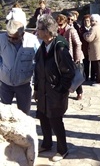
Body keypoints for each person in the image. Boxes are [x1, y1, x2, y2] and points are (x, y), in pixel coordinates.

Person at [33, 14, 75, 162]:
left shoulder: (60, 48)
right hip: (44, 92)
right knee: (43, 117)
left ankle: (62, 150)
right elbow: (38, 68)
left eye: (39, 28)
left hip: (55, 92)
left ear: (47, 31)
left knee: (56, 121)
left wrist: (60, 89)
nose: (36, 31)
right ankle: (46, 143)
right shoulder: (43, 46)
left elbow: (69, 72)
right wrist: (37, 89)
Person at [0, 19, 40, 115]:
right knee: (4, 115)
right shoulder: (1, 39)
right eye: (9, 37)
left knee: (24, 114)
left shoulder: (33, 41)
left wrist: (37, 87)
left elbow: (39, 63)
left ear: (22, 34)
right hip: (5, 83)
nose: (11, 40)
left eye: (15, 38)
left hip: (24, 84)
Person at [56, 14, 85, 100]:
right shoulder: (56, 31)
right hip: (61, 56)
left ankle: (79, 92)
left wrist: (76, 58)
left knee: (76, 75)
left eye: (60, 24)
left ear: (65, 23)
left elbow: (78, 44)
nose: (59, 26)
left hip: (72, 56)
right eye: (57, 24)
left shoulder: (71, 30)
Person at [83, 14, 100, 86]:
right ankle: (98, 79)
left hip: (95, 49)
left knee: (97, 66)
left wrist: (84, 34)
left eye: (92, 20)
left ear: (96, 21)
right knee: (99, 65)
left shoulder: (94, 28)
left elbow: (89, 38)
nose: (91, 22)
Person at [78, 14, 94, 81]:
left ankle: (93, 77)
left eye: (88, 21)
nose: (86, 22)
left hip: (92, 49)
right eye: (85, 21)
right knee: (86, 64)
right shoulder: (81, 29)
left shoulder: (93, 29)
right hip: (85, 49)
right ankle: (86, 76)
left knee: (93, 64)